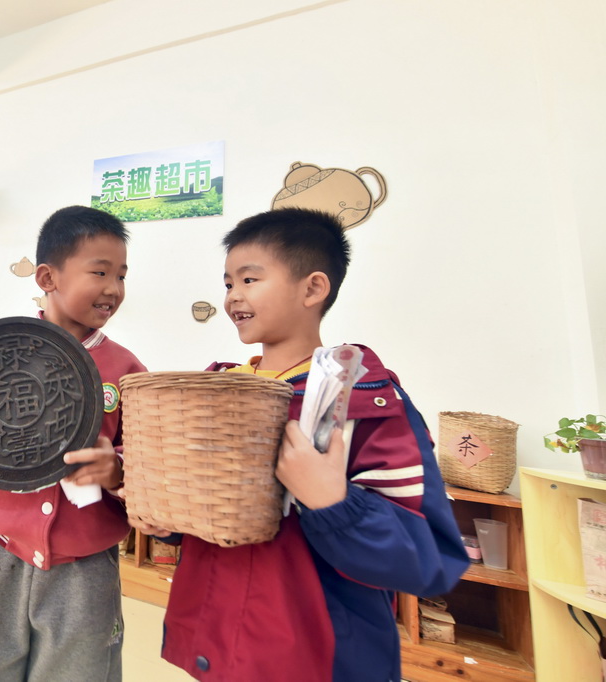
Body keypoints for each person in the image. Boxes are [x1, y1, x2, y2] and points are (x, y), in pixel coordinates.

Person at [139, 208, 469, 681]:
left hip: (315, 660)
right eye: (229, 283)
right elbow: (212, 514)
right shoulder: (219, 393)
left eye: (250, 279)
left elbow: (431, 560)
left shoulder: (362, 400)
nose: (233, 296)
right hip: (216, 651)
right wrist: (165, 518)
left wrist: (333, 502)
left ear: (313, 288)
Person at [0, 205, 147, 682]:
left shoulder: (127, 372)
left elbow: (144, 456)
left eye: (121, 275)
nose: (114, 288)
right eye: (99, 272)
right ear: (48, 276)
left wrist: (118, 467)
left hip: (84, 564)